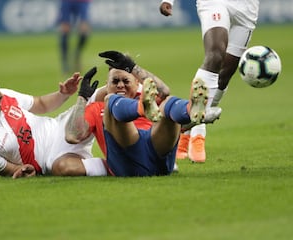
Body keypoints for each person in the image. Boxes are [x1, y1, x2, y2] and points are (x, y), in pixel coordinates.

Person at [66, 51, 221, 176]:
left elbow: (164, 91)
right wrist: (82, 97)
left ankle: (191, 110)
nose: (121, 85)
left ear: (137, 83)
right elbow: (72, 136)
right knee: (111, 102)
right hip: (126, 163)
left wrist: (132, 67)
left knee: (168, 103)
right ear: (106, 85)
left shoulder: (148, 97)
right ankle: (140, 109)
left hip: (158, 154)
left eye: (126, 81)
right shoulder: (96, 107)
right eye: (115, 82)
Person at [0, 61, 107, 179]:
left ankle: (129, 69)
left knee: (103, 93)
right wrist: (22, 171)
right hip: (53, 158)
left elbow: (40, 104)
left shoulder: (3, 96)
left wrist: (63, 94)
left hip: (61, 126)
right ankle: (117, 166)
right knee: (64, 168)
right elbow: (14, 170)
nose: (0, 95)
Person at [159, 0, 259, 163]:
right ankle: (198, 133)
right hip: (215, 2)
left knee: (224, 76)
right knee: (215, 55)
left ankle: (185, 132)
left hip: (246, 8)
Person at [56, 0, 92, 74]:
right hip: (67, 1)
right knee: (65, 29)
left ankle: (77, 54)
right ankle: (65, 62)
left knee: (84, 29)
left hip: (83, 1)